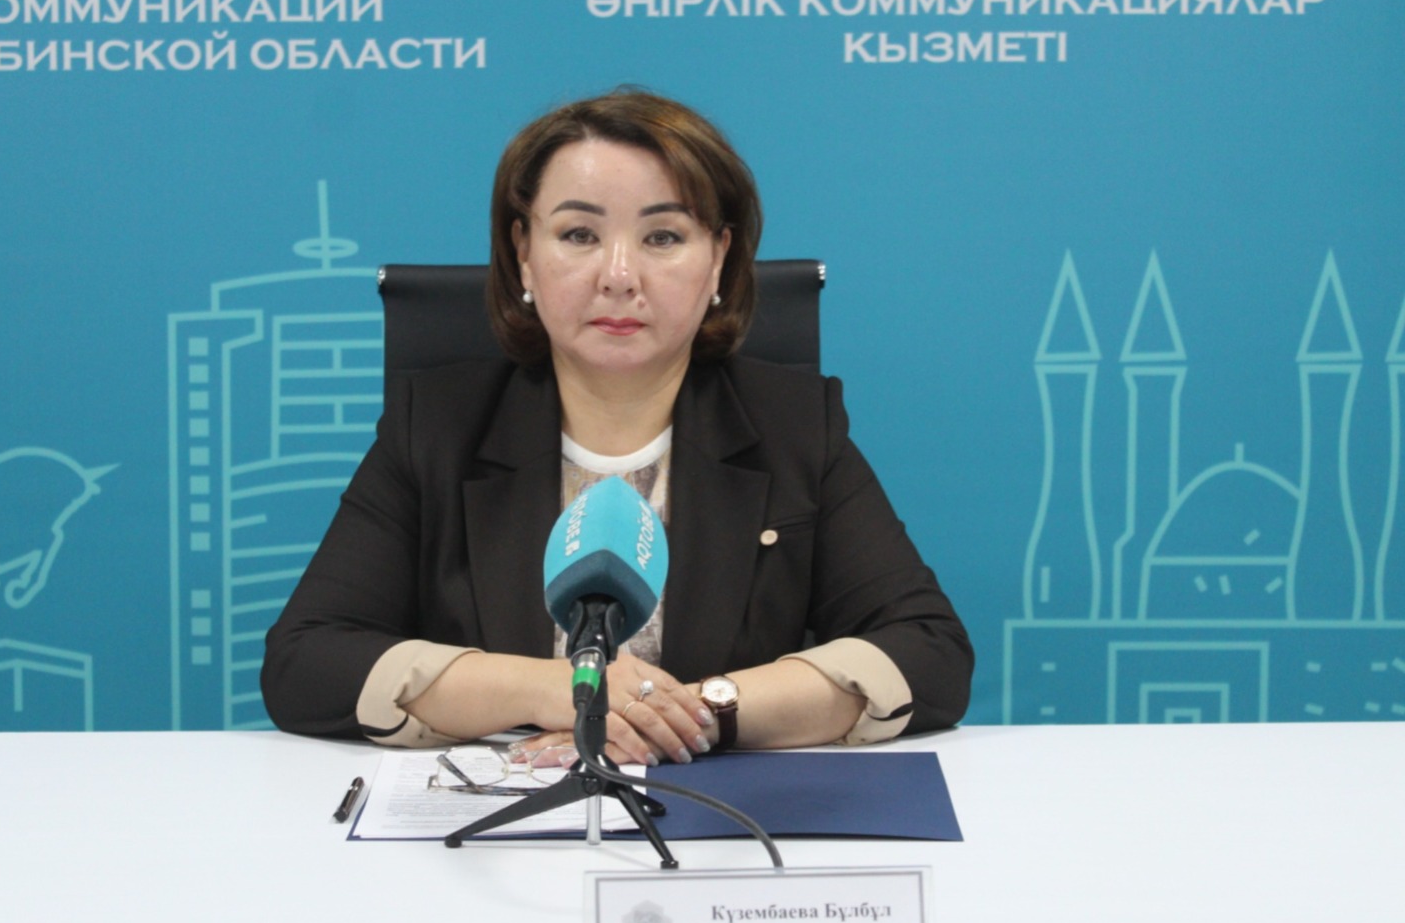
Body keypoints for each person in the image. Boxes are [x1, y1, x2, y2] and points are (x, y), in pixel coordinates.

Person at [261, 89, 972, 766]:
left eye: (663, 236)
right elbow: (305, 661)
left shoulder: (794, 427)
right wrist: (555, 689)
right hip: (500, 818)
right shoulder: (439, 426)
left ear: (719, 258)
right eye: (579, 234)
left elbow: (930, 652)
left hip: (713, 822)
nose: (620, 275)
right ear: (523, 252)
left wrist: (697, 712)